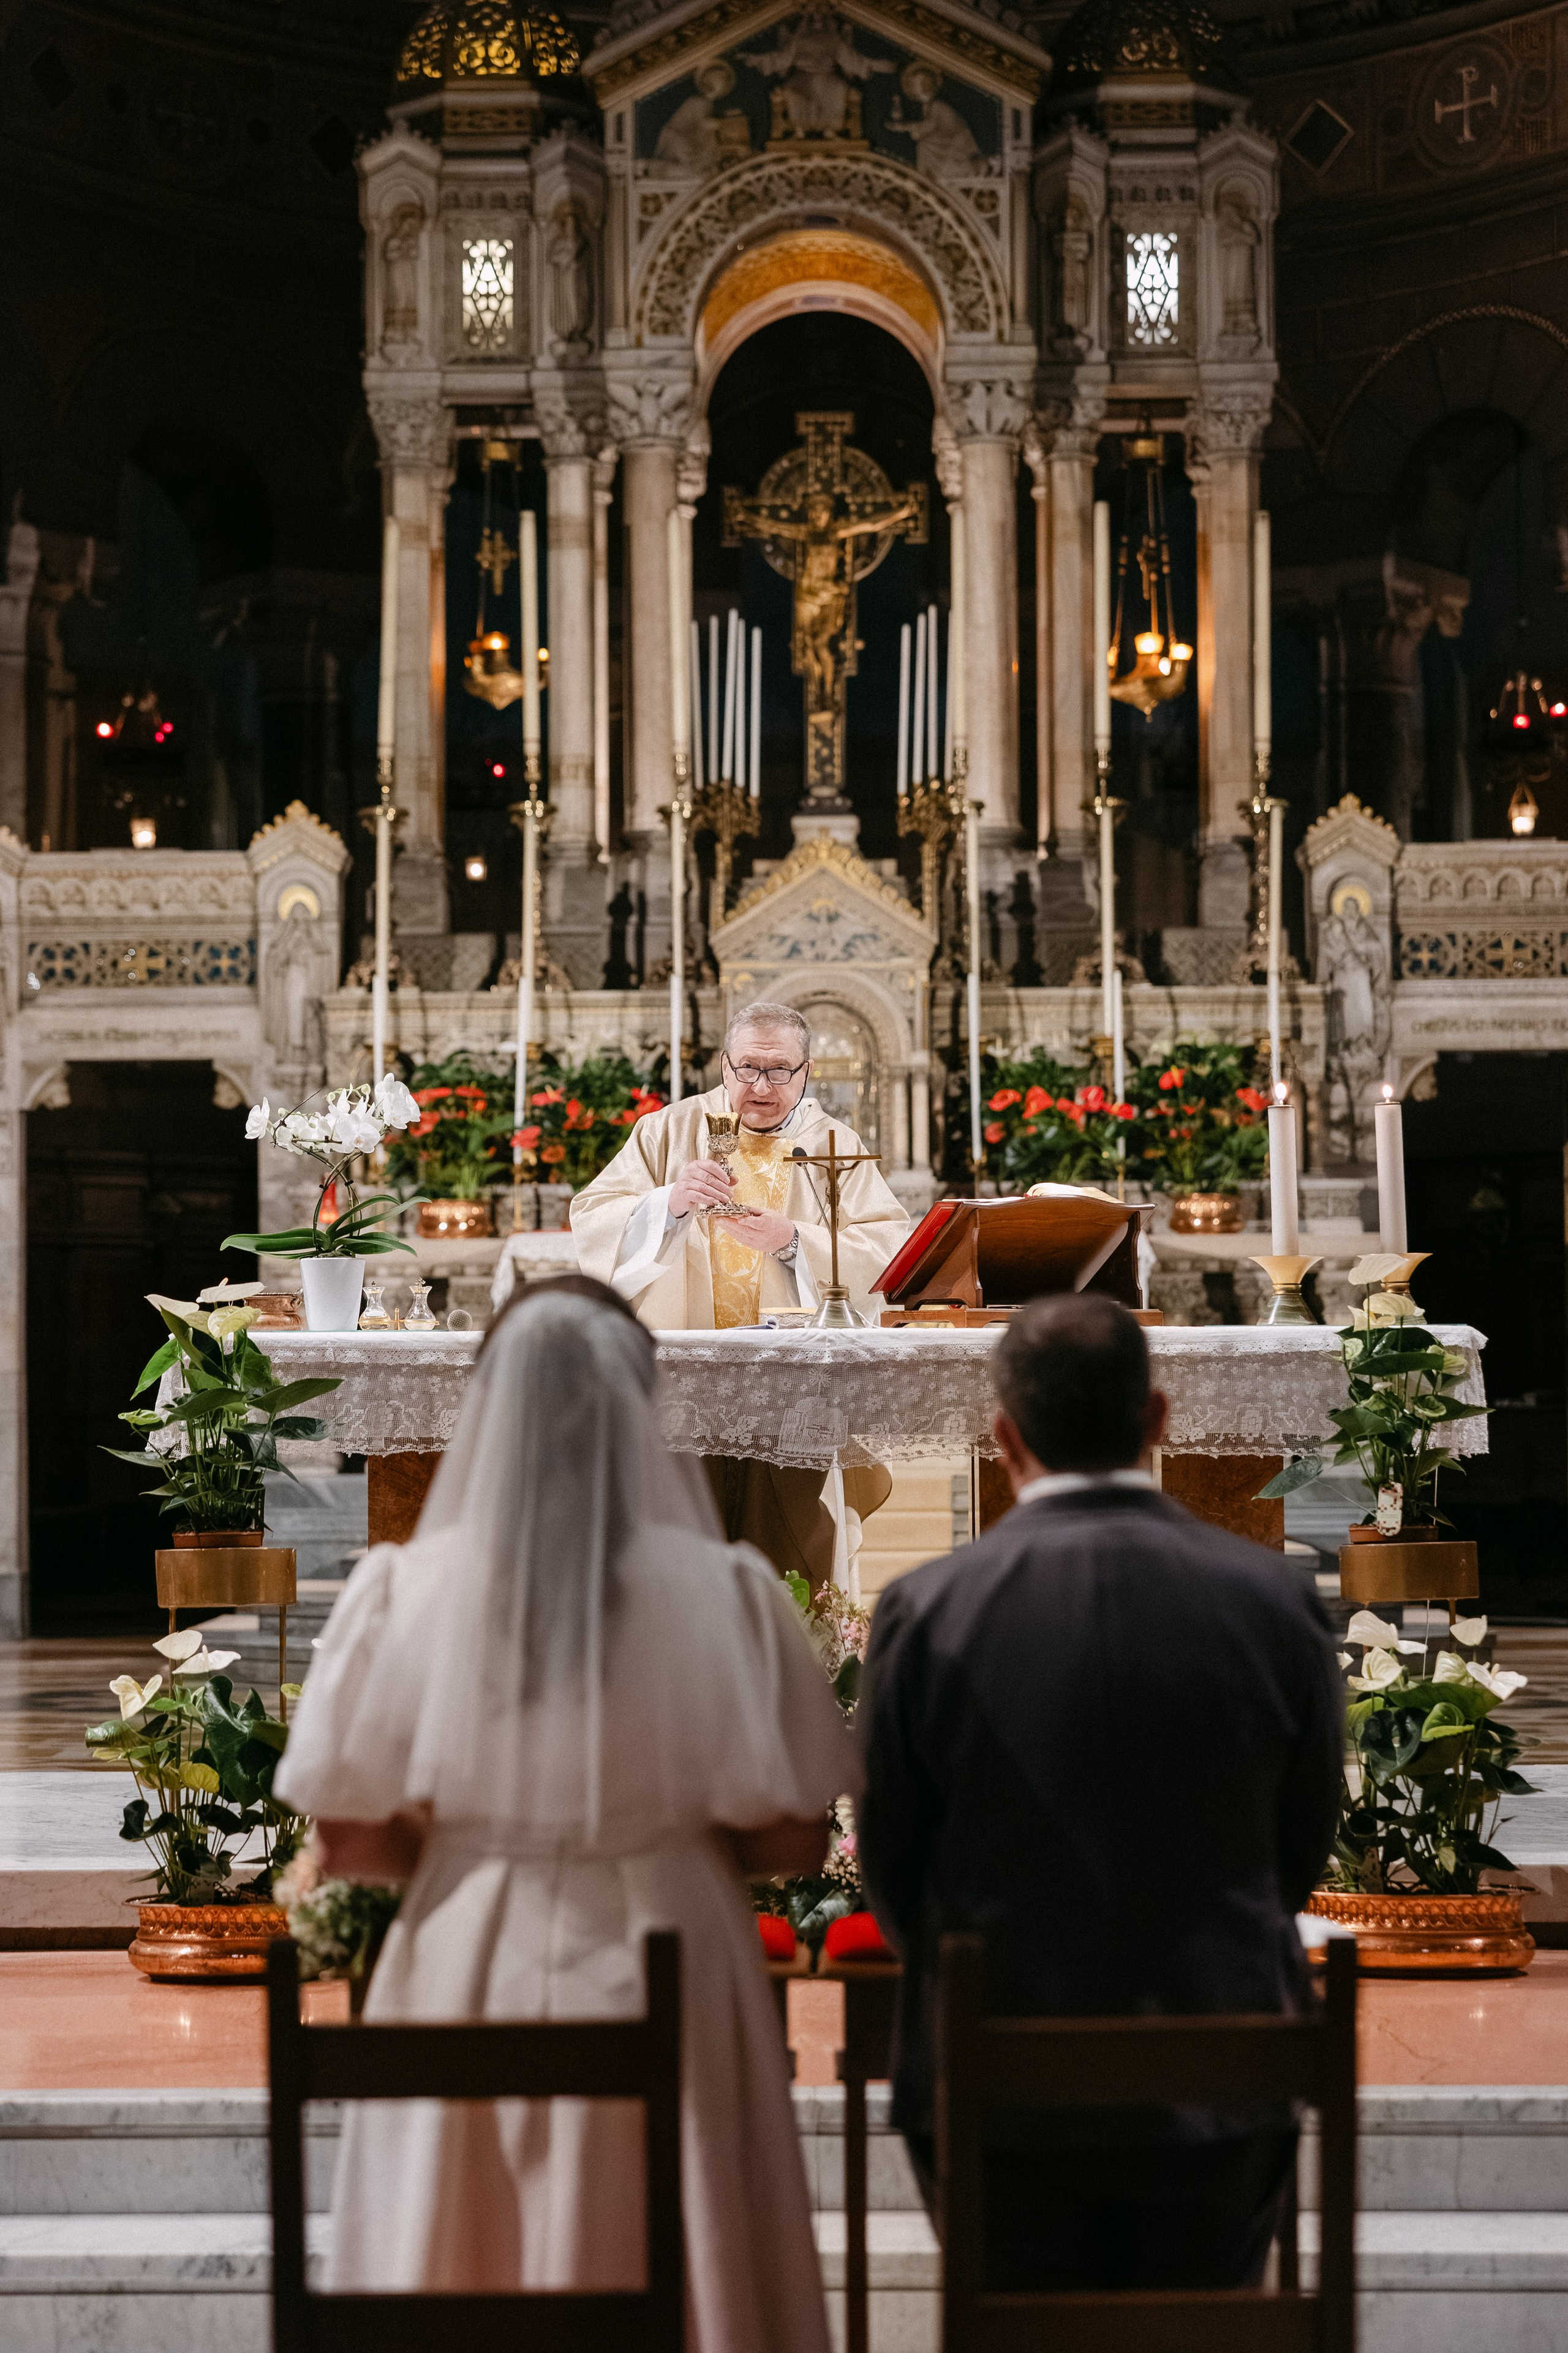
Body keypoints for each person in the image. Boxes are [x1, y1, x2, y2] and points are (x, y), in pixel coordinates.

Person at [274, 1280, 857, 2351]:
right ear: (642, 1410)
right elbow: (795, 1836)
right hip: (676, 1945)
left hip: (466, 1959)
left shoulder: (405, 1589)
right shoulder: (725, 1589)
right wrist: (665, 1829)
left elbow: (350, 1835)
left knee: (460, 2248)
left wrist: (479, 1838)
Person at [857, 1292, 1343, 2294]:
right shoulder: (1275, 1598)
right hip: (1219, 2074)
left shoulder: (925, 1609)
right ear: (1157, 1418)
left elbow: (894, 1865)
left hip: (997, 2088)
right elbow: (1299, 1846)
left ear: (1003, 1437)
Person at [568, 1000, 910, 1587]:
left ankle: (795, 1662)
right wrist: (667, 1204)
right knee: (679, 1548)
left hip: (792, 1387)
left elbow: (888, 1250)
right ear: (724, 1067)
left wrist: (794, 1241)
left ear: (806, 1074)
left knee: (787, 1550)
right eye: (748, 1068)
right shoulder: (667, 1131)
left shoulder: (832, 1142)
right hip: (679, 1382)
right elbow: (592, 1219)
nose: (761, 1085)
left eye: (780, 1071)